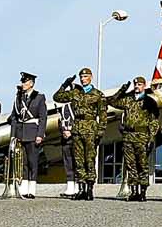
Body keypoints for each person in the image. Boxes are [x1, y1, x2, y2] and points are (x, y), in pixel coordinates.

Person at [56, 67, 108, 199]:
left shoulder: (98, 94)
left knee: (89, 159)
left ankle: (90, 189)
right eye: (81, 77)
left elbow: (103, 116)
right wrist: (64, 85)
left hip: (90, 129)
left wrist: (100, 132)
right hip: (77, 128)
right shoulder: (75, 93)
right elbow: (57, 97)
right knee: (78, 160)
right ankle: (81, 188)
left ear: (91, 77)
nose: (83, 80)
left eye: (85, 77)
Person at [7, 74, 51, 198]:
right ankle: (24, 188)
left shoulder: (39, 97)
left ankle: (32, 189)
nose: (23, 84)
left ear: (31, 83)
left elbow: (43, 117)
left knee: (32, 162)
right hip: (21, 133)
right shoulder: (19, 98)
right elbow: (15, 117)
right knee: (23, 163)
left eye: (25, 82)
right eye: (22, 82)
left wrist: (40, 134)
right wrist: (13, 135)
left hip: (33, 132)